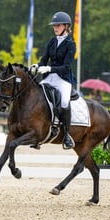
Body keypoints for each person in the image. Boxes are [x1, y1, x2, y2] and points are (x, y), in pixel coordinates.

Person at [30, 11, 77, 149]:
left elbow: (66, 67)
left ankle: (67, 135)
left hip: (63, 79)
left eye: (58, 25)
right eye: (54, 25)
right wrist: (37, 66)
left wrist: (50, 69)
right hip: (48, 78)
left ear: (66, 26)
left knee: (63, 101)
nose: (55, 28)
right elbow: (43, 60)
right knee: (36, 96)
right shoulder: (52, 42)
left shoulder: (70, 44)